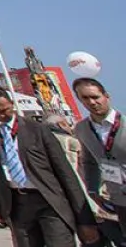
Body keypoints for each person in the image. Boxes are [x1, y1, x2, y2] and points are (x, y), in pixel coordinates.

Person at [0, 84, 98, 247]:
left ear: (12, 104)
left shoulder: (37, 130)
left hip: (48, 199)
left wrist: (85, 219)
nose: (1, 115)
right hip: (16, 203)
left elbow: (65, 172)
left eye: (5, 109)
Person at [72, 78, 125, 246]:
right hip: (118, 197)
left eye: (95, 97)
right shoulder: (82, 129)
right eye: (85, 98)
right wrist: (93, 189)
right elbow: (89, 161)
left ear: (106, 96)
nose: (92, 102)